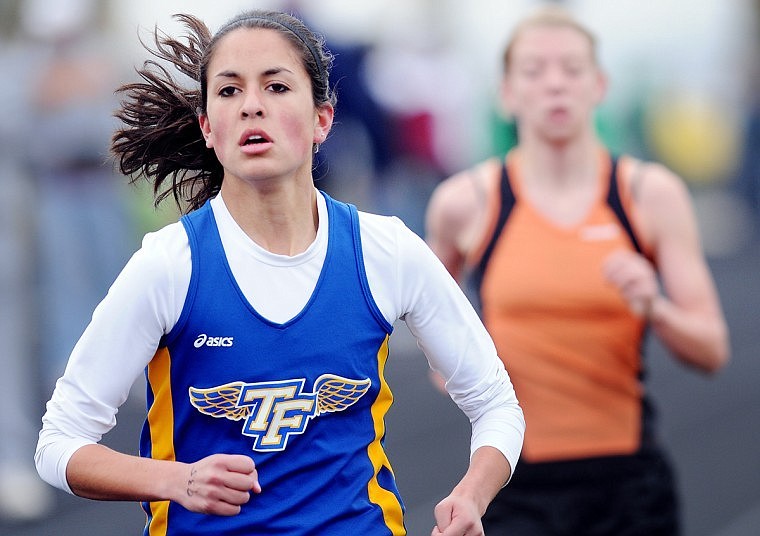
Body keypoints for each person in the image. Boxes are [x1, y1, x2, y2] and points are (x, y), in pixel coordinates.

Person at [35, 9, 525, 536]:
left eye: (276, 86)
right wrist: (174, 480)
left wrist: (472, 497)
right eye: (228, 92)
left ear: (322, 120)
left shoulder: (386, 250)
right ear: (207, 127)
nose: (251, 106)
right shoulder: (170, 265)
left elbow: (496, 403)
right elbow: (59, 443)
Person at [425, 7, 729, 536]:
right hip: (516, 485)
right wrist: (456, 368)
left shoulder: (648, 195)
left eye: (571, 68)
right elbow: (425, 332)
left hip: (629, 487)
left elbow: (712, 350)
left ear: (599, 85)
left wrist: (655, 305)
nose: (555, 85)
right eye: (535, 70)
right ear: (507, 93)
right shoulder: (465, 203)